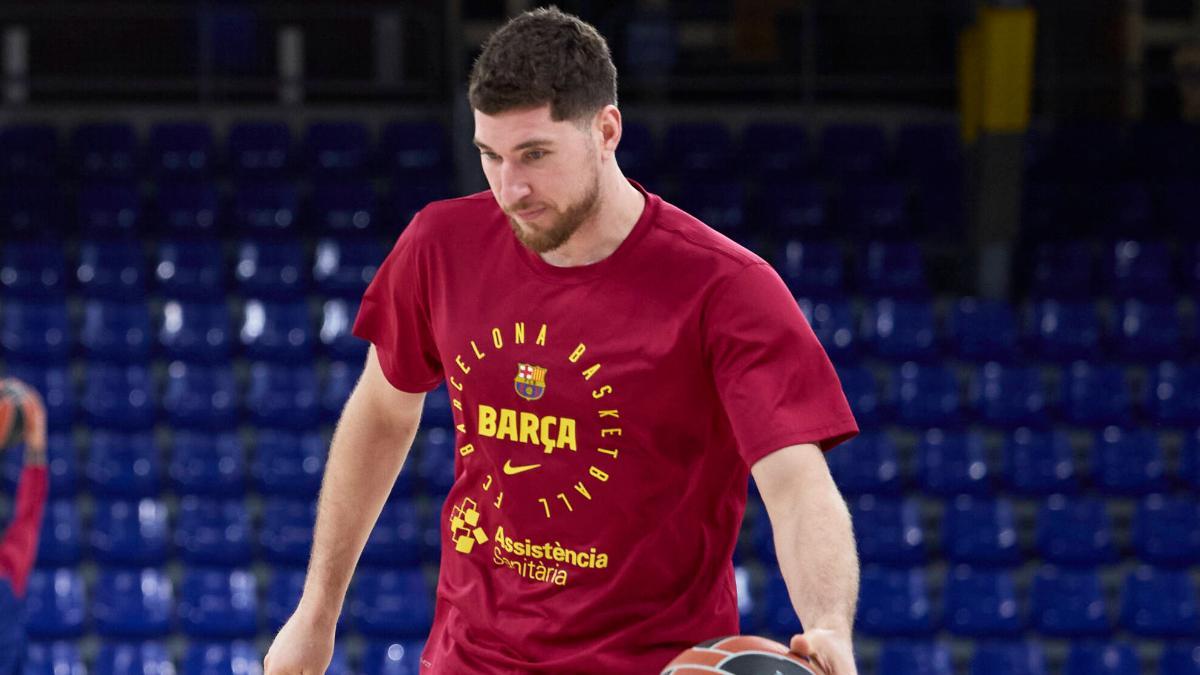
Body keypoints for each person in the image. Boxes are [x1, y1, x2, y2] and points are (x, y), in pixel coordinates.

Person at [265, 7, 860, 674]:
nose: (510, 187)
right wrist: (315, 611)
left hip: (651, 662)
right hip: (470, 659)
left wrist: (829, 623)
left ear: (606, 130)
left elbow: (795, 481)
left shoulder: (727, 288)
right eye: (490, 154)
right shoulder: (441, 244)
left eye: (536, 154)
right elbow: (381, 410)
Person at [0, 379, 50, 674]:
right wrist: (36, 448)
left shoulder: (8, 567)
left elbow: (29, 513)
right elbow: (29, 514)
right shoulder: (9, 569)